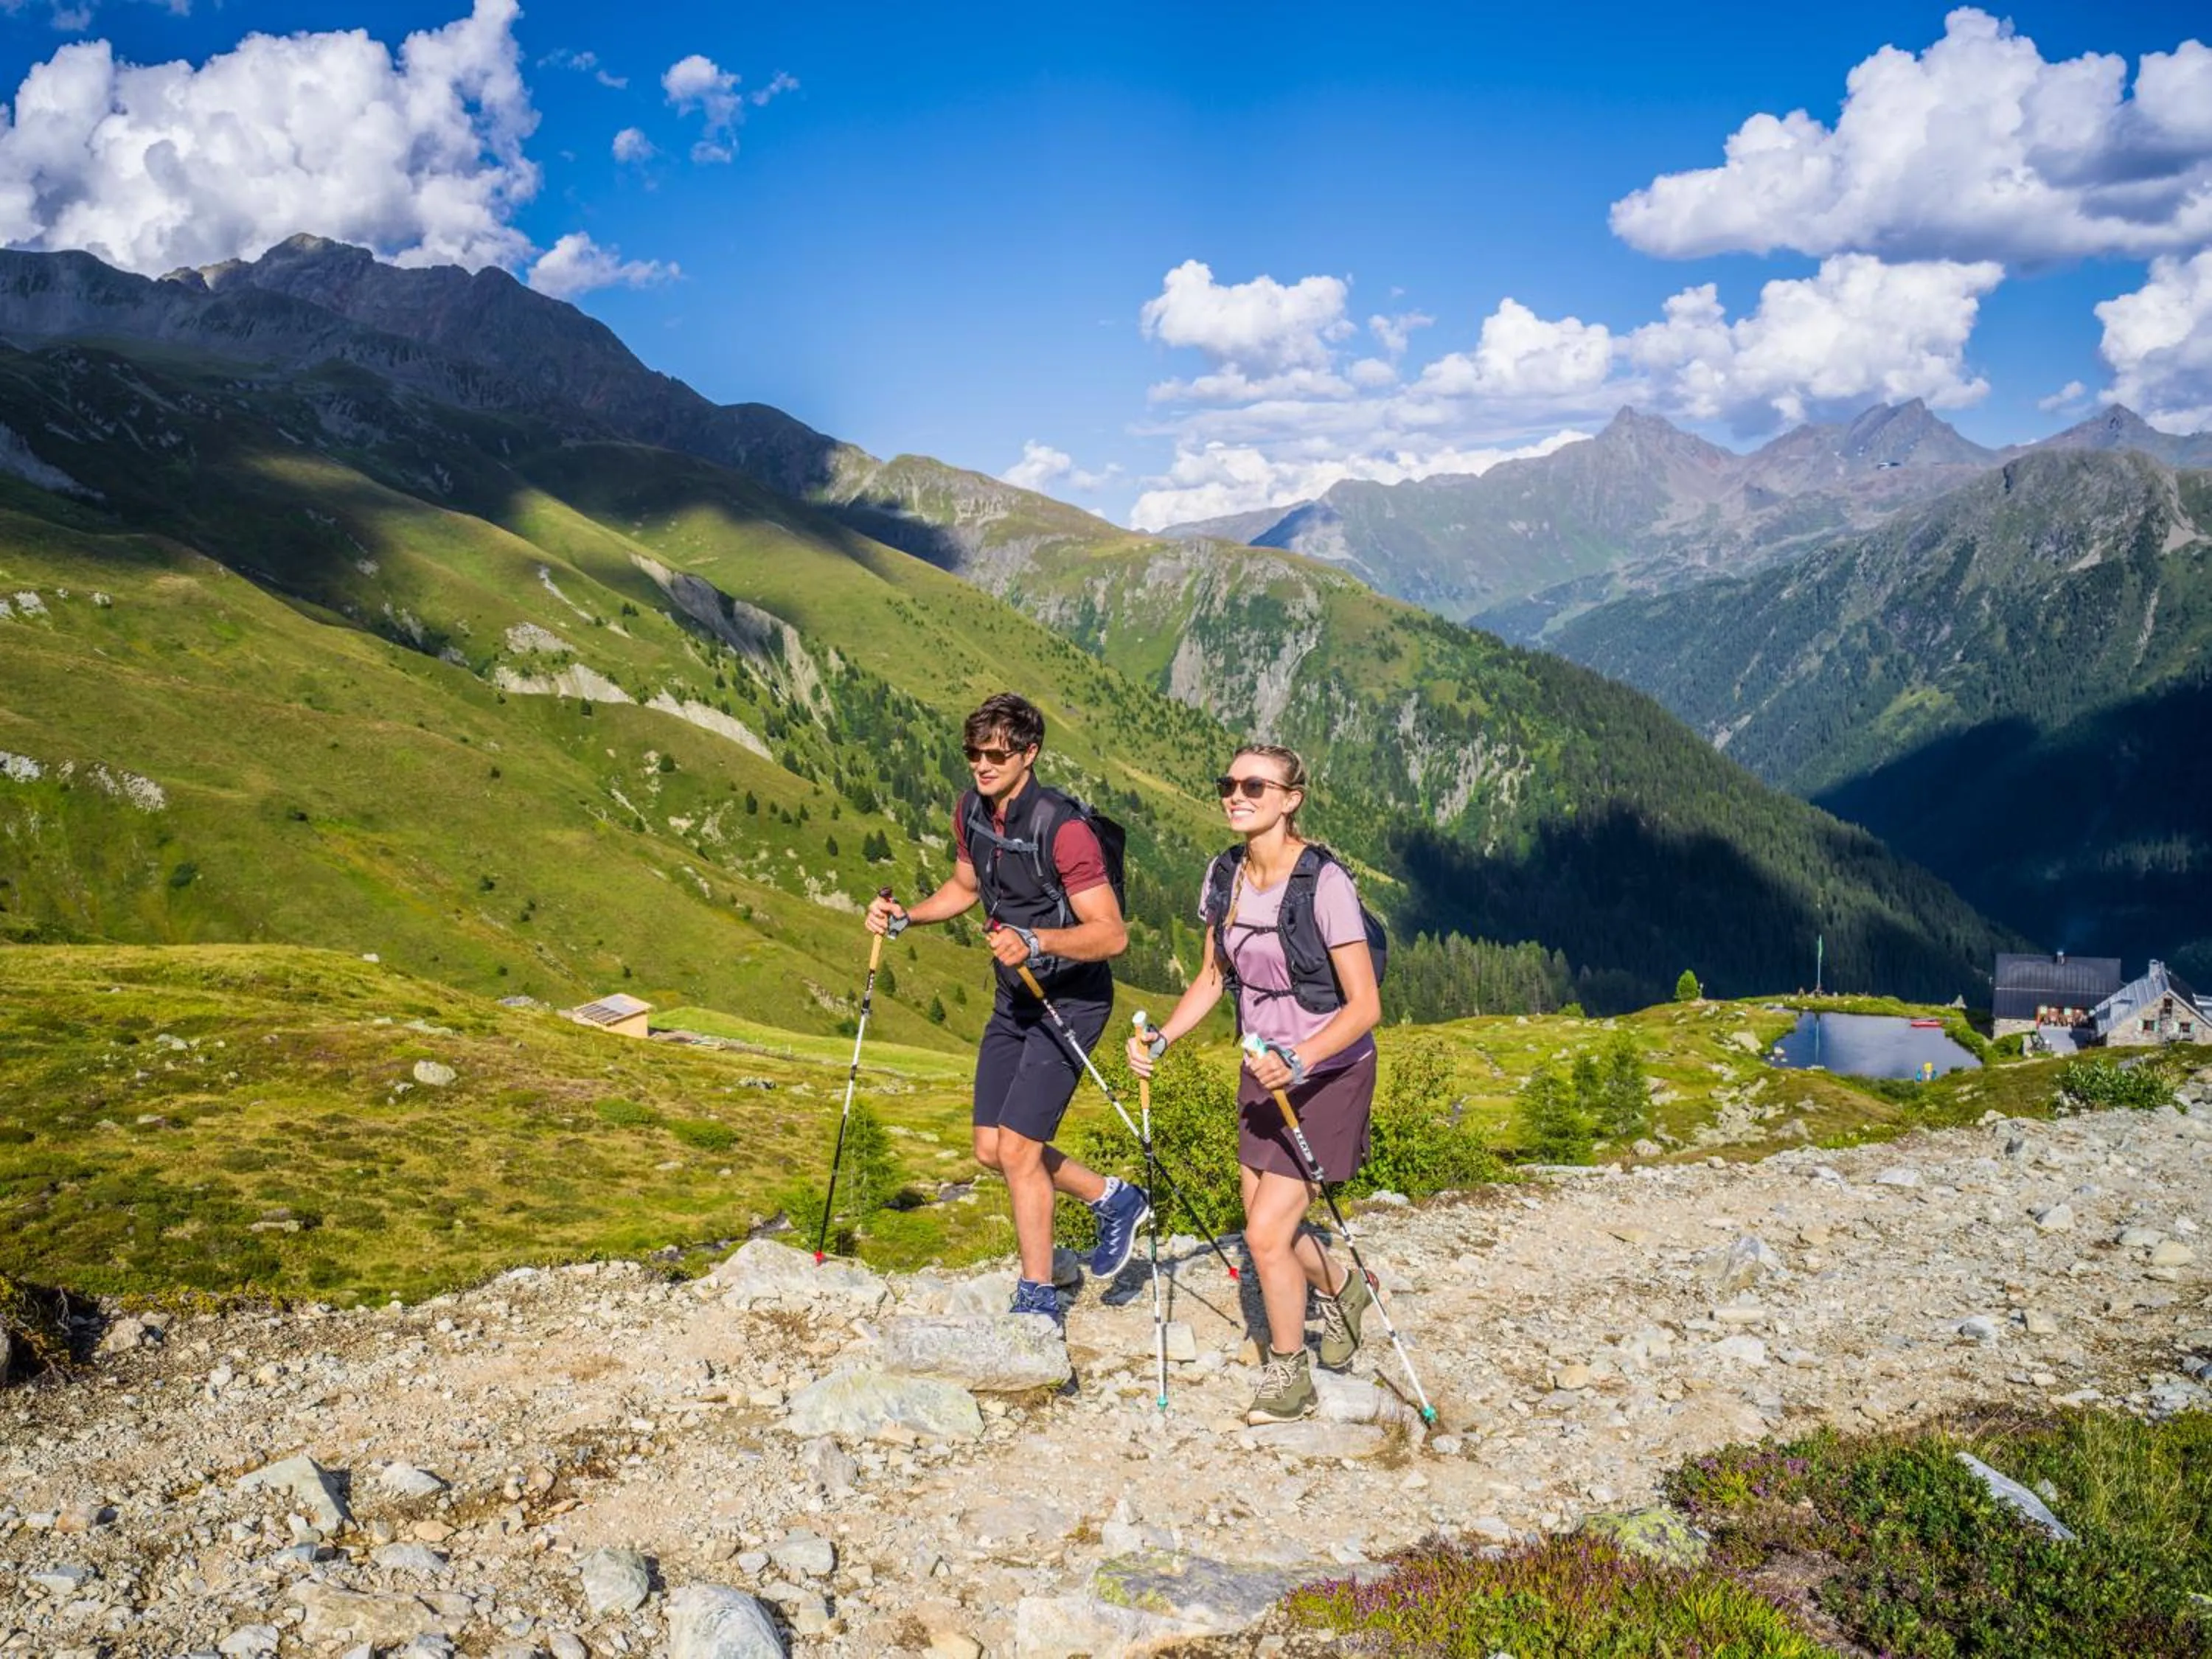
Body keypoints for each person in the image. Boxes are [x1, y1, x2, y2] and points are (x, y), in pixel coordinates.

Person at [866, 692, 1150, 1328]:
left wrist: (1036, 940)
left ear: (1030, 753)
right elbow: (966, 888)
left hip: (1070, 1000)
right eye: (973, 752)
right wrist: (907, 917)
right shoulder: (971, 809)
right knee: (992, 1149)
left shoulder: (1064, 828)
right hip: (1013, 995)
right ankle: (1114, 1198)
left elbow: (1112, 934)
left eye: (996, 753)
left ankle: (1037, 1295)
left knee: (1021, 1149)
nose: (982, 764)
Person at [1126, 743, 1381, 1424]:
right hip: (1260, 1070)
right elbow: (1214, 977)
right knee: (1267, 1228)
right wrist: (1164, 1038)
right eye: (1229, 784)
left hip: (1327, 1071)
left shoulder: (1323, 882)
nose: (1237, 795)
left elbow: (1365, 1006)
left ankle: (1289, 1377)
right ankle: (1343, 1284)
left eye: (1255, 787)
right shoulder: (1224, 875)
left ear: (1291, 799)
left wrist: (1300, 1060)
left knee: (1266, 1233)